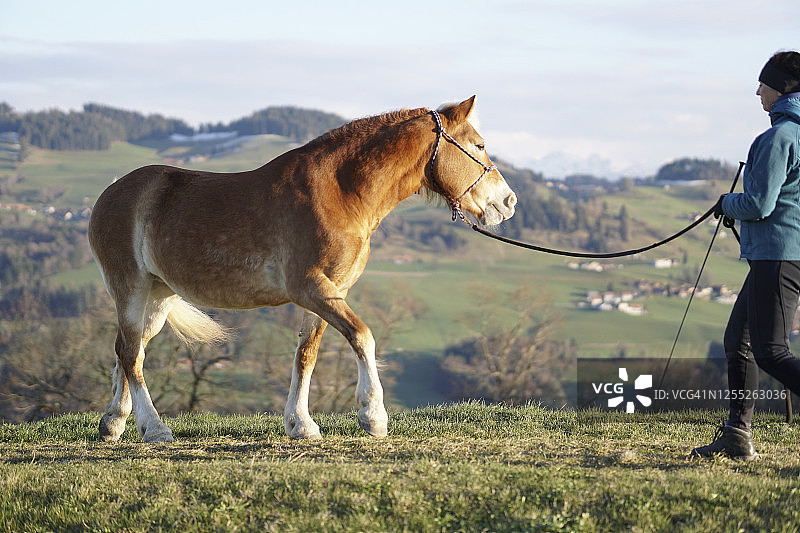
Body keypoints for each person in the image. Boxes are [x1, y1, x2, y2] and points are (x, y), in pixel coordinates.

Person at [692, 50, 800, 460]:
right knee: (738, 339)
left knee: (771, 351)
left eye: (763, 84)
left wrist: (726, 202)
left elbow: (759, 205)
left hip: (779, 254)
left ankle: (739, 434)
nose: (758, 91)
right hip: (785, 253)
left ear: (781, 89)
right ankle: (737, 435)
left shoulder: (779, 137)